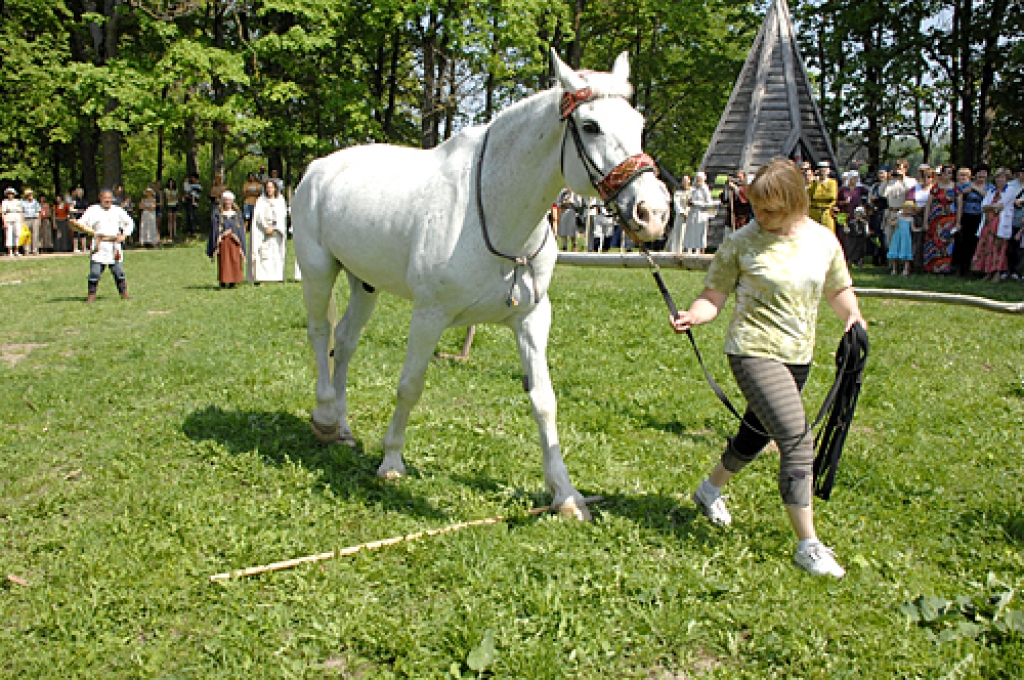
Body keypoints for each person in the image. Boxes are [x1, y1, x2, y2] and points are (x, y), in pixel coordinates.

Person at [669, 158, 864, 578]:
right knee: (797, 439)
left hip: (799, 356)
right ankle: (807, 545)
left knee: (754, 435)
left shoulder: (823, 241)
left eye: (772, 209)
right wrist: (695, 315)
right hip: (752, 351)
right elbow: (714, 296)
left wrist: (852, 318)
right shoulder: (741, 242)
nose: (762, 216)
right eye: (756, 207)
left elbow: (838, 290)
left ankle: (708, 491)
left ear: (796, 202)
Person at [70, 188, 135, 302]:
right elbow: (82, 224)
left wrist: (124, 235)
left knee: (118, 272)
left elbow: (129, 223)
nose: (108, 200)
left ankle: (124, 293)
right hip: (99, 245)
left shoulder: (117, 210)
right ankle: (91, 295)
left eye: (110, 198)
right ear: (100, 198)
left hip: (113, 246)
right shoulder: (93, 210)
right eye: (105, 198)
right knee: (95, 272)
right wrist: (75, 224)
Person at [974, 168, 1013, 281]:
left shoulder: (1010, 190)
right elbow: (983, 206)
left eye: (1002, 177)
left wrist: (991, 207)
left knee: (999, 247)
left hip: (1000, 222)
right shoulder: (991, 191)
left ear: (1006, 178)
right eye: (997, 177)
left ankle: (997, 272)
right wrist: (992, 207)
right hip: (988, 223)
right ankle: (988, 271)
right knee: (987, 247)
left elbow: (1001, 205)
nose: (999, 180)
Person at [922, 165, 960, 274]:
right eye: (946, 173)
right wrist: (925, 221)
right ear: (942, 174)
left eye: (950, 173)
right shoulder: (935, 188)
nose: (948, 175)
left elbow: (959, 206)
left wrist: (958, 222)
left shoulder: (956, 188)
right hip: (935, 219)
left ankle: (944, 268)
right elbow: (928, 204)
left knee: (947, 243)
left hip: (949, 220)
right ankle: (931, 267)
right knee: (933, 242)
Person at [251, 179, 288, 283]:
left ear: (275, 188)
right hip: (264, 231)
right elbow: (258, 215)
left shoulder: (280, 200)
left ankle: (277, 277)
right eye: (267, 188)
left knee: (276, 254)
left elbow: (282, 215)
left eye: (271, 187)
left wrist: (275, 228)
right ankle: (263, 277)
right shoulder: (261, 201)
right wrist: (265, 226)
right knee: (264, 255)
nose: (269, 190)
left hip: (277, 232)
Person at [207, 191, 246, 288]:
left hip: (234, 242)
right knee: (224, 262)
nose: (228, 202)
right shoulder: (218, 214)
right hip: (224, 242)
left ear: (233, 201)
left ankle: (233, 282)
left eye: (230, 200)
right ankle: (223, 282)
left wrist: (234, 234)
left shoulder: (237, 214)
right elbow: (215, 229)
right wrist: (222, 235)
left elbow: (240, 229)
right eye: (226, 200)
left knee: (235, 261)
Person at [683, 171, 716, 254]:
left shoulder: (705, 189)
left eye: (700, 178)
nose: (698, 180)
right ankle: (689, 249)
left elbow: (709, 203)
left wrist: (696, 203)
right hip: (692, 213)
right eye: (697, 178)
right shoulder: (694, 189)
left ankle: (700, 250)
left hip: (701, 213)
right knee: (691, 232)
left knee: (700, 232)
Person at [909, 166, 934, 272]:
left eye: (928, 177)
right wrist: (914, 209)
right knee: (917, 241)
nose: (926, 179)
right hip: (916, 216)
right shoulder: (915, 188)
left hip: (931, 216)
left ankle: (929, 265)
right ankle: (916, 264)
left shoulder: (934, 189)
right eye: (924, 176)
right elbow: (909, 201)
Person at [806, 162, 838, 233]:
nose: (823, 172)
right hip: (814, 212)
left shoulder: (832, 182)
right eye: (821, 170)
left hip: (827, 212)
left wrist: (819, 194)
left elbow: (831, 196)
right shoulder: (813, 183)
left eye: (825, 170)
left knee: (828, 234)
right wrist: (817, 184)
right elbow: (810, 196)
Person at [888, 200, 915, 276]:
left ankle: (905, 269)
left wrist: (920, 229)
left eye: (910, 209)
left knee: (906, 252)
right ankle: (894, 269)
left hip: (906, 237)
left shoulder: (911, 219)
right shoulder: (899, 216)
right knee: (895, 251)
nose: (908, 210)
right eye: (906, 208)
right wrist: (893, 223)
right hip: (897, 236)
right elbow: (889, 221)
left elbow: (913, 228)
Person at [666, 176, 691, 253]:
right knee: (679, 233)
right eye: (684, 181)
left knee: (690, 233)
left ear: (689, 181)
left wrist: (688, 210)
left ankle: (689, 250)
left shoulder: (692, 191)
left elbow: (692, 202)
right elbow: (676, 203)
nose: (685, 182)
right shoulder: (678, 192)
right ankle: (677, 250)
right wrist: (682, 212)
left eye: (686, 180)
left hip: (690, 214)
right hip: (680, 215)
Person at [3, 187, 24, 257]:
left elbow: (20, 211)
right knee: (9, 235)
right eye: (9, 194)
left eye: (12, 194)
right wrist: (4, 222)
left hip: (17, 217)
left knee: (17, 234)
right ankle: (10, 251)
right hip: (8, 217)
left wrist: (22, 220)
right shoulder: (5, 202)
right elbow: (3, 213)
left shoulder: (17, 201)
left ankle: (16, 250)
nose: (10, 195)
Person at [21, 188, 41, 255]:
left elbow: (38, 211)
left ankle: (35, 250)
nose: (31, 195)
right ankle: (26, 250)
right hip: (26, 219)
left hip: (34, 219)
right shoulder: (22, 202)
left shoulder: (35, 202)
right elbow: (21, 212)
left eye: (31, 194)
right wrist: (22, 221)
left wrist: (39, 220)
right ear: (26, 195)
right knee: (26, 235)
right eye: (29, 194)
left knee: (35, 234)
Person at [70, 187, 89, 253]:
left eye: (81, 193)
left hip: (83, 218)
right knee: (76, 233)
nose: (80, 194)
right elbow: (71, 209)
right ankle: (75, 248)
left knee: (83, 233)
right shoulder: (74, 201)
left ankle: (84, 248)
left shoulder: (84, 200)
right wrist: (79, 211)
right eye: (79, 192)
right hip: (76, 218)